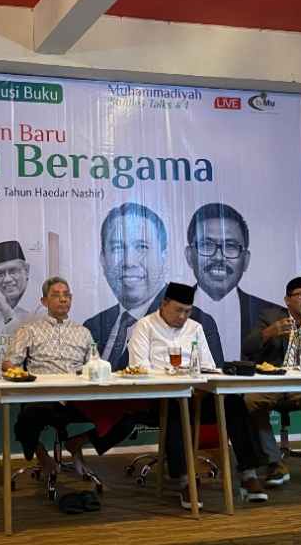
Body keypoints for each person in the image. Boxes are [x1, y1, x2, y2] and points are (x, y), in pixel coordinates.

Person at [127, 282, 269, 507]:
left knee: (234, 404)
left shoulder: (195, 328)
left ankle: (248, 474)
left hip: (197, 395)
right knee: (175, 408)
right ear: (164, 304)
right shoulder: (144, 326)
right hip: (161, 397)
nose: (182, 317)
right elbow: (139, 367)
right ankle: (185, 481)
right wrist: (175, 376)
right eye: (178, 310)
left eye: (187, 311)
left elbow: (208, 366)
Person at [5, 277, 122, 481]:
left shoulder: (83, 333)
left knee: (123, 415)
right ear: (44, 301)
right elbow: (8, 364)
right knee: (26, 419)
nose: (62, 299)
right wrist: (21, 375)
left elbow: (95, 365)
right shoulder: (28, 330)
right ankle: (42, 457)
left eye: (66, 295)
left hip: (78, 398)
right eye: (56, 295)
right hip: (43, 397)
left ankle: (77, 443)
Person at [84, 202, 223, 370]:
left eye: (142, 247)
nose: (129, 262)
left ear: (163, 256)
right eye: (117, 248)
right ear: (103, 259)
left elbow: (211, 375)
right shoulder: (93, 326)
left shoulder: (198, 322)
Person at [243, 276, 301, 489]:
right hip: (272, 385)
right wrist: (269, 332)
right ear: (287, 300)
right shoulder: (269, 317)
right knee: (251, 401)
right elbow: (247, 348)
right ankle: (274, 463)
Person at [184, 202, 282, 363]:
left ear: (246, 260)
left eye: (230, 246)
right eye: (206, 245)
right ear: (189, 255)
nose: (218, 257)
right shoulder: (165, 312)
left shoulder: (274, 315)